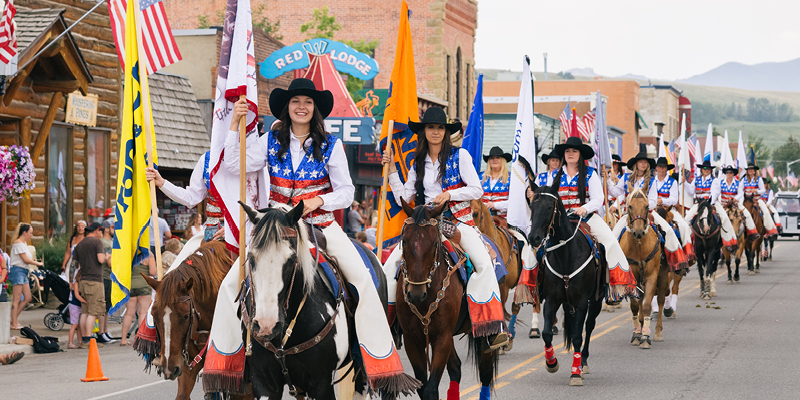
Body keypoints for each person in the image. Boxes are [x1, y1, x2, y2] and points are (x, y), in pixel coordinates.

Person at [216, 78, 416, 393]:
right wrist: (234, 124)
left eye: (308, 102)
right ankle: (230, 363)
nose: (301, 107)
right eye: (296, 101)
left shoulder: (331, 145)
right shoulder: (269, 140)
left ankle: (375, 359)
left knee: (364, 280)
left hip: (319, 224)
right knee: (230, 284)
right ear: (287, 107)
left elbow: (347, 192)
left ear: (315, 109)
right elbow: (232, 163)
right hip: (278, 226)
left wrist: (319, 200)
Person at [382, 106, 508, 351]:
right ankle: (390, 326)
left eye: (440, 128)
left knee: (483, 263)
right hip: (425, 224)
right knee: (388, 269)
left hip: (457, 220)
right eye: (431, 127)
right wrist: (392, 173)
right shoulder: (416, 160)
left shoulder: (460, 156)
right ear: (424, 131)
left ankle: (492, 327)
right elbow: (405, 196)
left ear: (446, 132)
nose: (436, 132)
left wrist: (450, 194)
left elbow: (477, 190)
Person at [552, 137, 635, 299]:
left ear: (580, 155)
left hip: (587, 218)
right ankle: (535, 285)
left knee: (610, 242)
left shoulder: (590, 174)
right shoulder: (555, 174)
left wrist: (584, 208)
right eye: (567, 151)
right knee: (538, 245)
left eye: (574, 151)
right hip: (561, 220)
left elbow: (598, 199)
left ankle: (618, 286)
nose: (570, 154)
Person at [608, 153, 688, 271]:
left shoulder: (651, 181)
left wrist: (641, 205)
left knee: (669, 231)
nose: (643, 164)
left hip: (648, 213)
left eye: (645, 163)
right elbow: (615, 193)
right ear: (636, 164)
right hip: (629, 215)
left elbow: (653, 201)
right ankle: (611, 265)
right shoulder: (626, 178)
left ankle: (677, 262)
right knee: (612, 236)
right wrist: (608, 181)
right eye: (641, 162)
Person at [146, 152, 227, 244]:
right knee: (185, 256)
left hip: (242, 232)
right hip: (212, 233)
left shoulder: (246, 158)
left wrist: (235, 228)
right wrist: (162, 183)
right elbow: (191, 198)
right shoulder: (207, 159)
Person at [683, 160, 740, 251]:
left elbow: (715, 192)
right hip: (699, 204)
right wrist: (685, 183)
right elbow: (690, 191)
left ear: (711, 170)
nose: (706, 170)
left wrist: (709, 203)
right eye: (704, 168)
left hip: (711, 203)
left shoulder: (715, 180)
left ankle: (729, 241)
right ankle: (688, 242)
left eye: (708, 168)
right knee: (686, 220)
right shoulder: (696, 179)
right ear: (701, 170)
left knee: (724, 217)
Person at [73, 222, 107, 349]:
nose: (101, 234)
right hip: (95, 281)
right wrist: (107, 257)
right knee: (93, 312)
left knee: (85, 312)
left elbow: (74, 264)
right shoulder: (97, 243)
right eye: (101, 231)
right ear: (97, 230)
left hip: (83, 281)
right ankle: (88, 340)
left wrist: (72, 281)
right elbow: (100, 259)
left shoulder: (80, 244)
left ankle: (83, 340)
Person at [9, 223, 44, 330]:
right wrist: (38, 263)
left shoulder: (23, 243)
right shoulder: (18, 243)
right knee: (17, 299)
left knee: (28, 298)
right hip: (17, 271)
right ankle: (14, 323)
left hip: (23, 271)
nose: (31, 235)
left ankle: (12, 319)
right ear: (24, 233)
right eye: (30, 233)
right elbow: (25, 259)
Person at [119, 253, 155, 346]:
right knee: (142, 312)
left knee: (129, 313)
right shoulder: (148, 254)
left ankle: (123, 339)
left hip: (130, 286)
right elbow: (152, 272)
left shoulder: (130, 252)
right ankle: (140, 339)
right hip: (143, 285)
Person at [718, 165, 760, 237]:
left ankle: (752, 232)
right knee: (716, 217)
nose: (729, 174)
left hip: (735, 204)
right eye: (727, 172)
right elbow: (718, 193)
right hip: (724, 204)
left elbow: (741, 193)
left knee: (747, 214)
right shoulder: (720, 182)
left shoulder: (738, 183)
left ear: (733, 174)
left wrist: (735, 198)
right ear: (725, 174)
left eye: (730, 172)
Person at [742, 163, 779, 237]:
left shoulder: (759, 179)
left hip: (756, 199)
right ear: (747, 171)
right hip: (746, 200)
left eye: (752, 169)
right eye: (749, 169)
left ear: (755, 171)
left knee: (766, 211)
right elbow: (740, 190)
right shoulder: (744, 179)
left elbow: (762, 190)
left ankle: (769, 230)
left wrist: (756, 191)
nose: (750, 171)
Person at [97, 220, 117, 344]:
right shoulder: (105, 243)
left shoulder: (109, 242)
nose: (114, 230)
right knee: (104, 306)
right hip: (105, 276)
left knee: (107, 306)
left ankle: (104, 331)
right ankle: (102, 332)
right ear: (106, 229)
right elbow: (109, 262)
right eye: (112, 227)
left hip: (108, 277)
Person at [480, 146, 511, 218]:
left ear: (503, 160)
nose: (494, 160)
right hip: (482, 219)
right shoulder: (480, 177)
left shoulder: (511, 178)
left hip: (504, 220)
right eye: (492, 158)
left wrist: (495, 205)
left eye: (498, 157)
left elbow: (515, 203)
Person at [68, 264, 85, 349]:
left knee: (79, 326)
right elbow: (77, 296)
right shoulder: (76, 284)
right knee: (74, 325)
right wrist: (85, 302)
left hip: (80, 306)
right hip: (74, 306)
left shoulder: (82, 284)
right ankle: (70, 343)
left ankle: (80, 341)